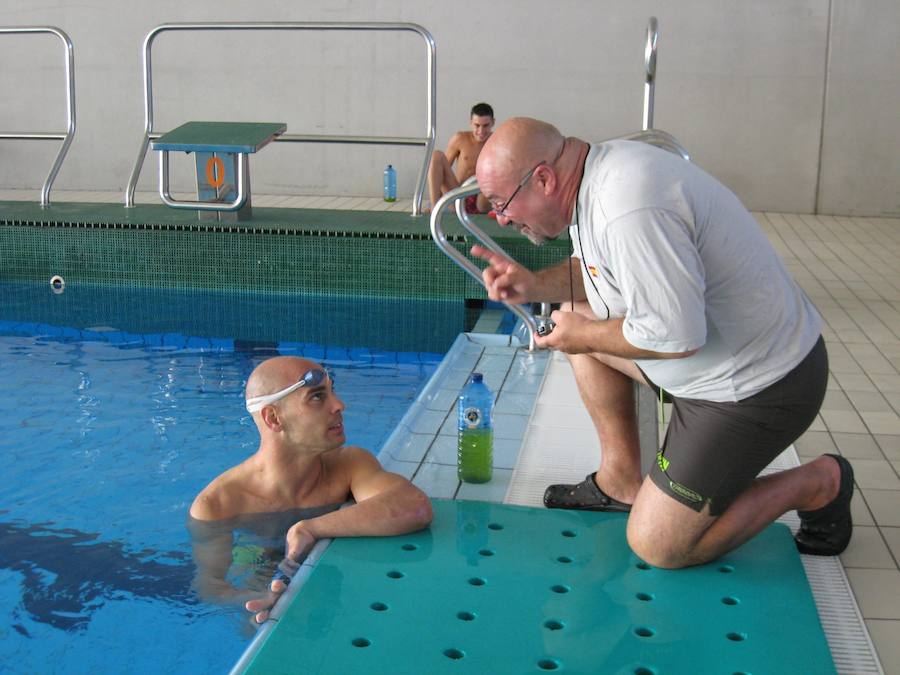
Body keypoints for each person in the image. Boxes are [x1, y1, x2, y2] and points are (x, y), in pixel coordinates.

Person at [471, 117, 853, 569]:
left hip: (757, 388)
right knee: (571, 315)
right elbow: (594, 269)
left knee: (660, 545)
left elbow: (675, 336)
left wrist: (583, 337)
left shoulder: (628, 205)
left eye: (501, 203)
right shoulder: (597, 174)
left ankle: (818, 482)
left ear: (544, 179)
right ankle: (619, 482)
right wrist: (533, 284)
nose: (501, 218)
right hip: (714, 363)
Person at [189, 355, 433, 623]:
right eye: (317, 397)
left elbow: (415, 506)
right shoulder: (218, 503)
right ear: (273, 418)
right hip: (260, 572)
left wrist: (310, 528)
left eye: (332, 392)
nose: (339, 405)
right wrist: (259, 598)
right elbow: (210, 585)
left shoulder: (349, 465)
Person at [428, 102, 495, 213]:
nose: (481, 131)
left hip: (483, 201)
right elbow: (440, 172)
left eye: (485, 126)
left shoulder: (497, 141)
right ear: (471, 123)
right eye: (477, 125)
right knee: (437, 156)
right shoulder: (460, 139)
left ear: (493, 122)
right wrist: (436, 199)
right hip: (459, 196)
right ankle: (434, 209)